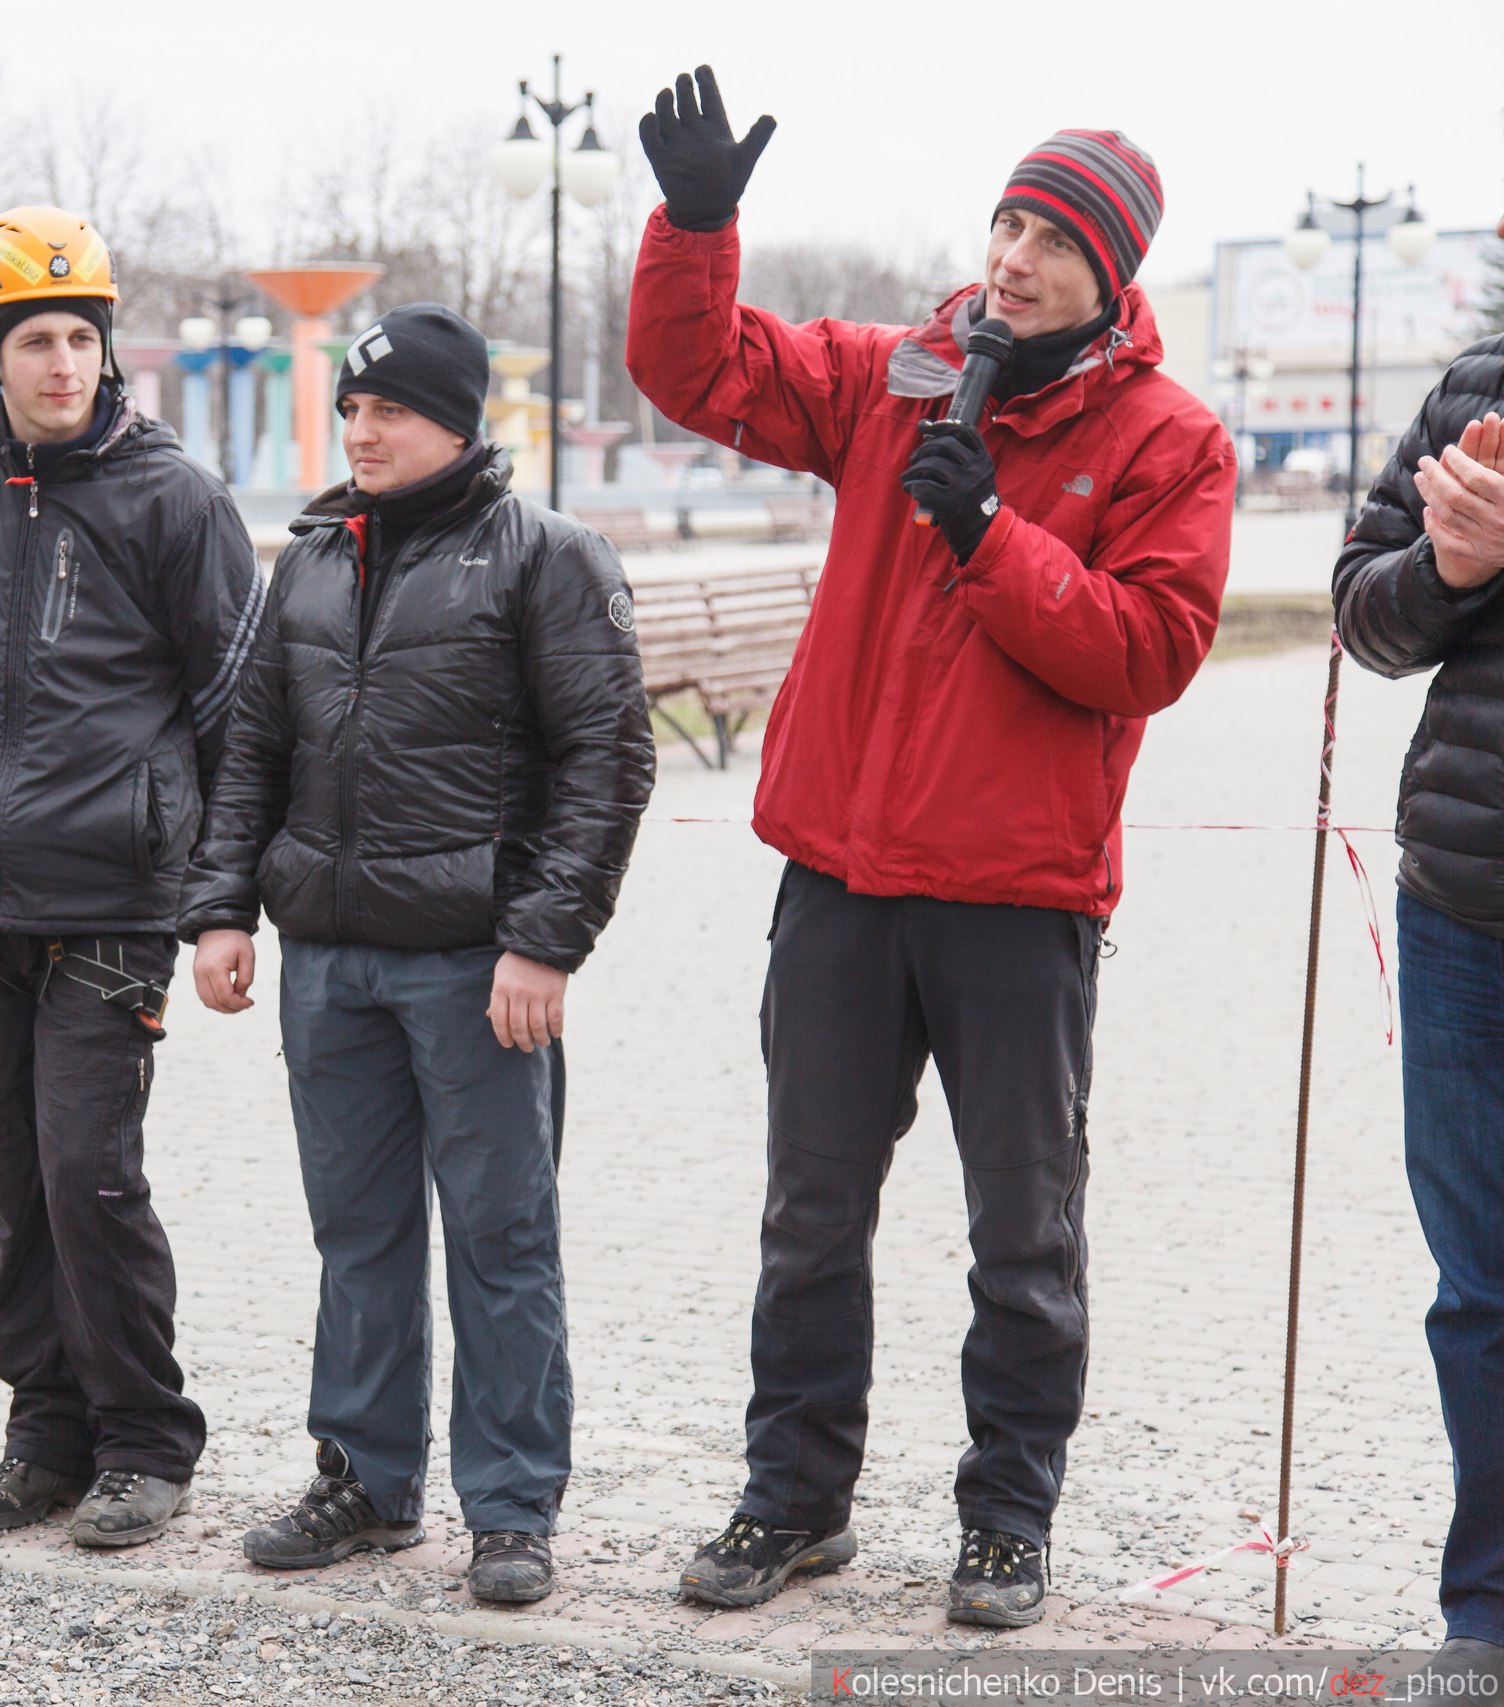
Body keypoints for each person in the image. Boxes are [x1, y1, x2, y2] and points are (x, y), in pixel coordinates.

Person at [625, 71, 1234, 1626]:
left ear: (1115, 277)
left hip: (1015, 909)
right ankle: (793, 1503)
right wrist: (699, 227)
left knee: (1022, 1234)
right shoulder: (897, 376)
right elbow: (697, 366)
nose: (1015, 255)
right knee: (809, 1220)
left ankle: (1006, 1520)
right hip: (837, 879)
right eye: (1008, 220)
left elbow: (1148, 651)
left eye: (1053, 238)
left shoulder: (1170, 439)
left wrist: (989, 538)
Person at [179, 302, 656, 1604]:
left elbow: (606, 768)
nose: (361, 429)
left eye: (388, 409)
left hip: (473, 971)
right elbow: (250, 752)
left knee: (503, 1241)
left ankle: (509, 1510)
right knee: (358, 1237)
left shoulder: (547, 559)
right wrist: (220, 909)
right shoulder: (316, 556)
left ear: (459, 421)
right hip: (328, 964)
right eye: (352, 407)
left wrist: (545, 943)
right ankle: (366, 1482)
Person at [0, 205, 264, 1549]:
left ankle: (145, 1441)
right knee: (6, 1178)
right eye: (35, 341)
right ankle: (45, 1437)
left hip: (115, 904)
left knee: (87, 1176)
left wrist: (221, 898)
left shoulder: (175, 501)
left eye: (82, 339)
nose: (64, 364)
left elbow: (238, 708)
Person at [1332, 349, 1504, 1686]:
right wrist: (1448, 566)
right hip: (1465, 905)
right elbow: (1363, 623)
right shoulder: (1478, 388)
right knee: (1481, 1291)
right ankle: (1486, 1614)